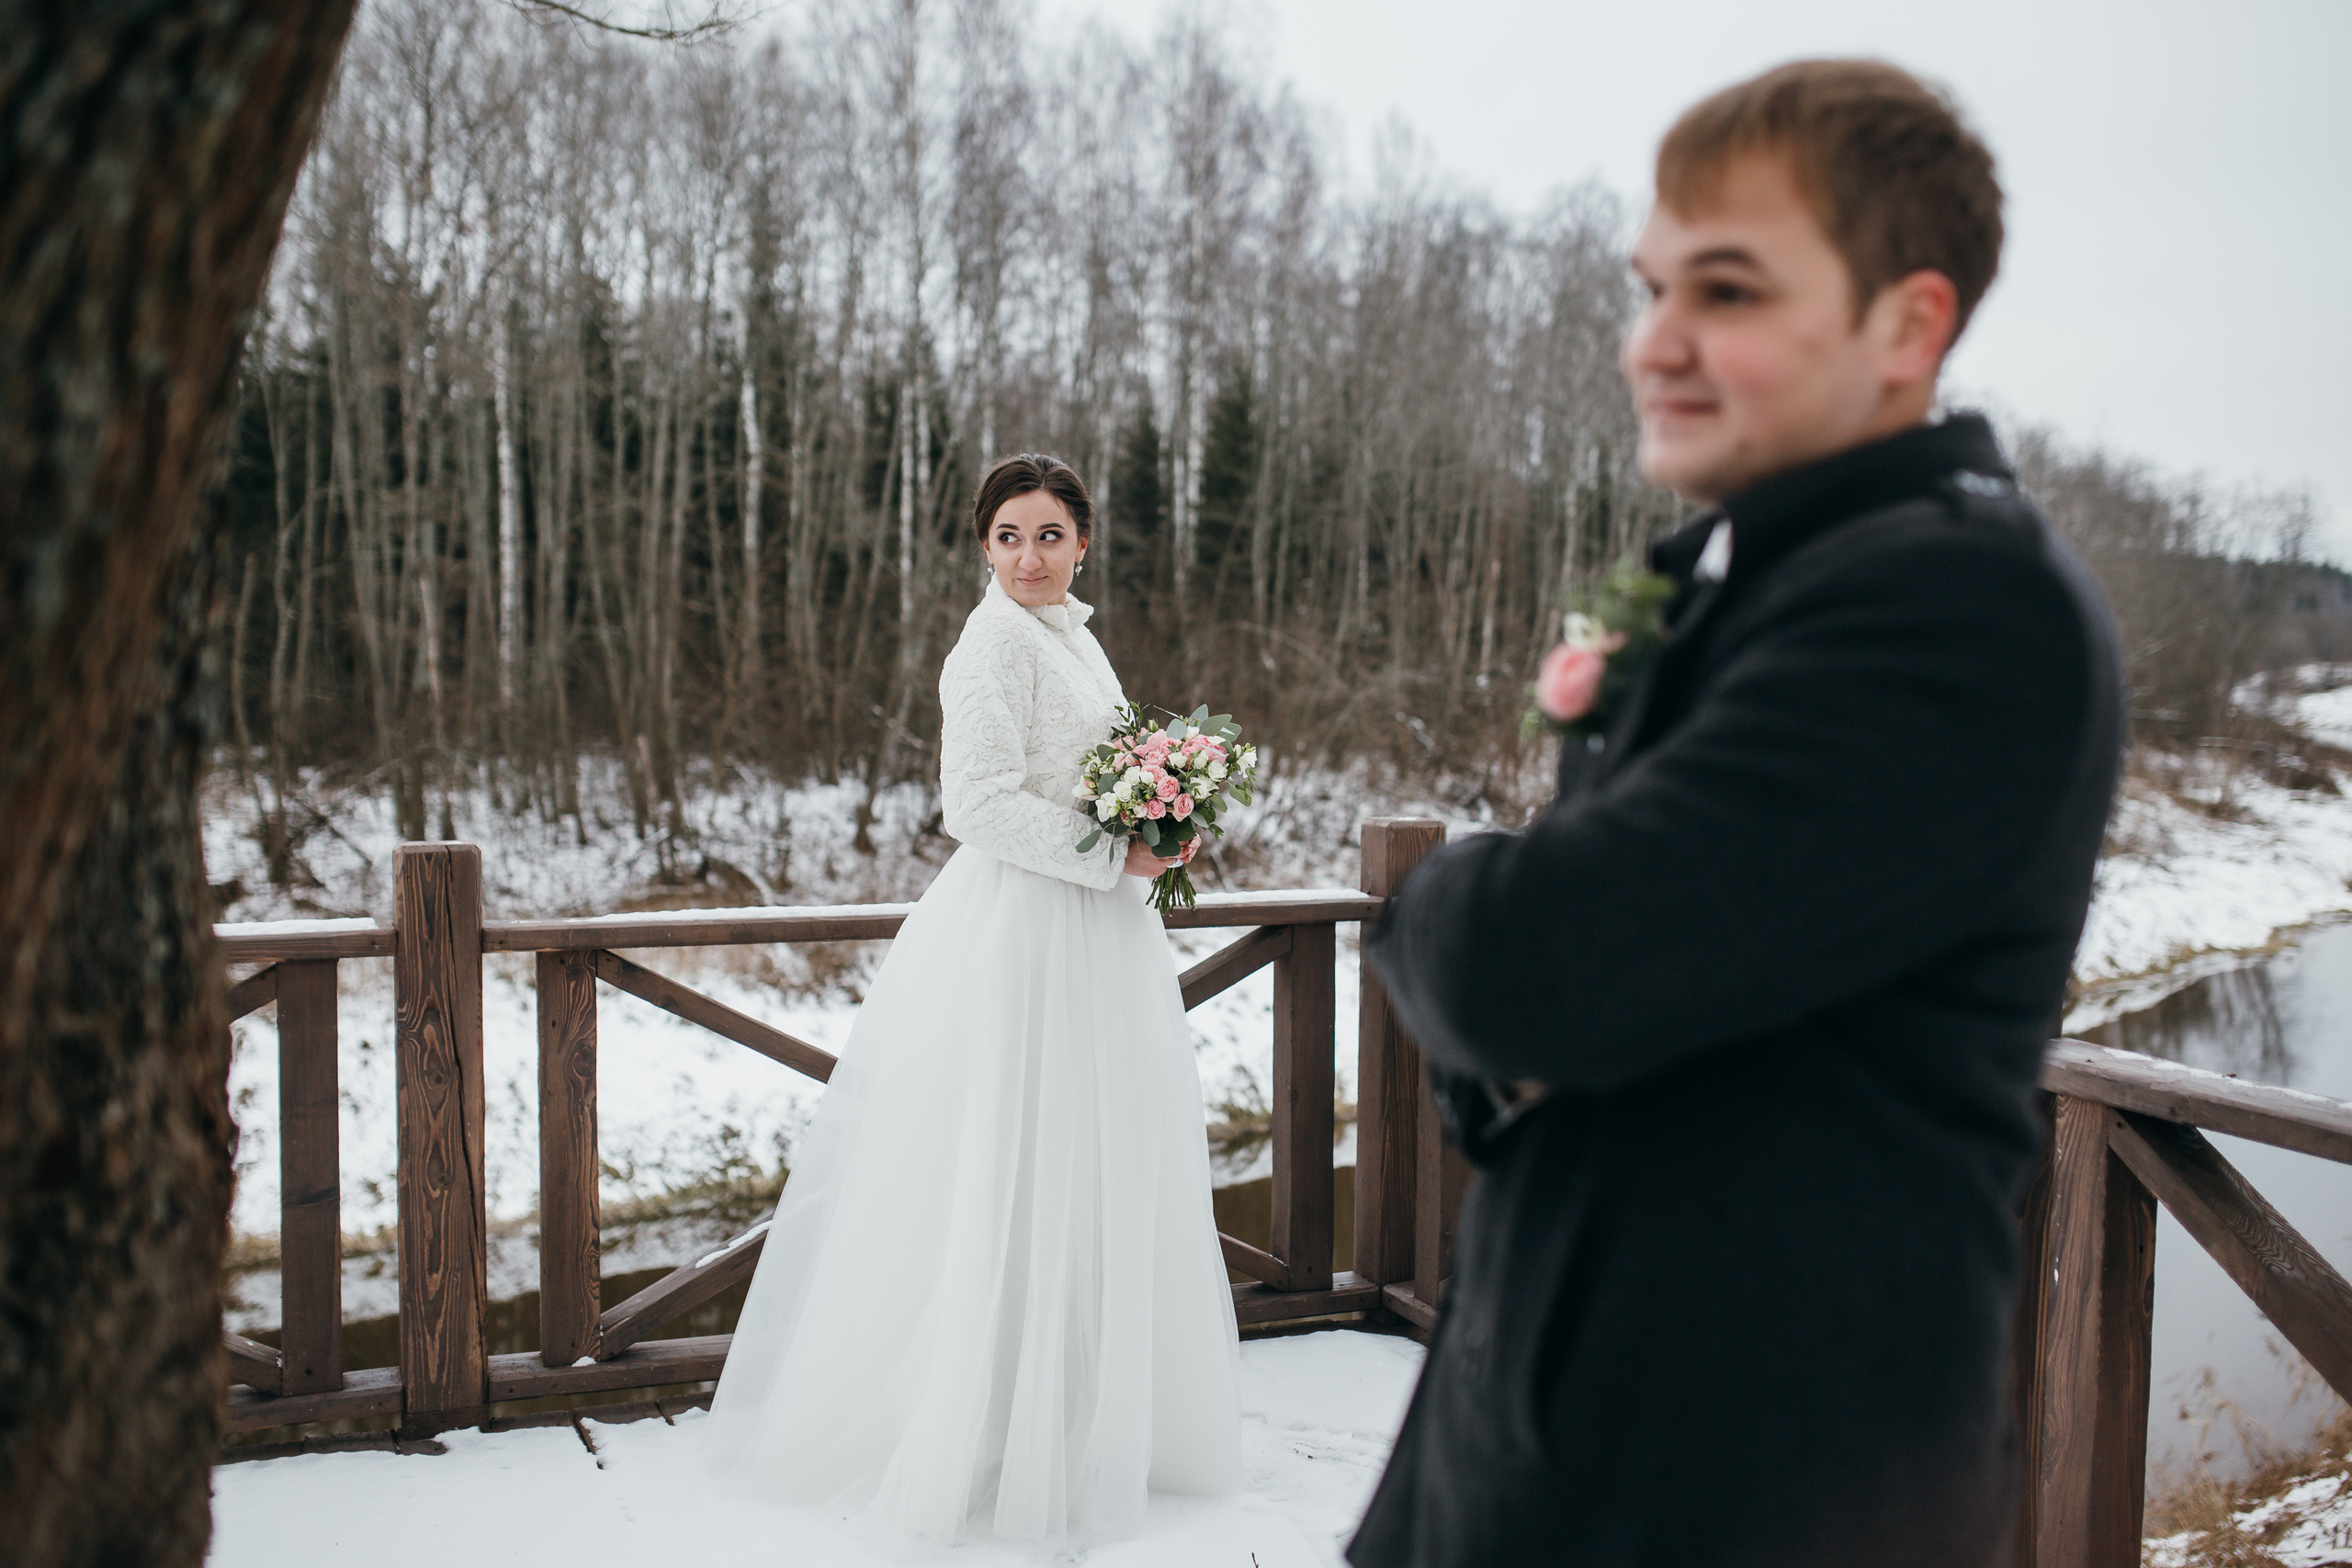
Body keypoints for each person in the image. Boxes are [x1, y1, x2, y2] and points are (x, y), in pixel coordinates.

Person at [1351, 61, 2124, 1568]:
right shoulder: (1740, 572)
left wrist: (1436, 902)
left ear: (1910, 323)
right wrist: (1524, 1017)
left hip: (1747, 1481)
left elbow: (1540, 967)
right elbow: (1538, 1020)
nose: (1656, 345)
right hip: (1530, 1440)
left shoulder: (1956, 602)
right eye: (1650, 288)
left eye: (1728, 290)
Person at [702, 454, 1242, 1546]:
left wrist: (1163, 811)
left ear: (1082, 543)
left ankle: (1081, 1411)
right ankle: (989, 1426)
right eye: (1008, 536)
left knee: (1095, 1163)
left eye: (1048, 535)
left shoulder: (1073, 635)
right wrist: (1117, 851)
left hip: (1096, 935)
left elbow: (1100, 765)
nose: (1028, 557)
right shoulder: (989, 643)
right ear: (981, 546)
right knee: (1016, 1161)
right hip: (1026, 936)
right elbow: (979, 804)